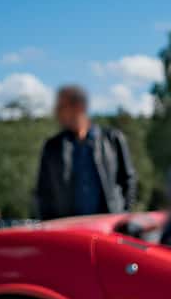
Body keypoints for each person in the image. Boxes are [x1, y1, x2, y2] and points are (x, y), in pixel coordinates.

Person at [36, 84, 139, 220]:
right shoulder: (52, 147)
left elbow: (129, 180)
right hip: (69, 231)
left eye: (61, 107)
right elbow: (43, 192)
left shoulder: (113, 140)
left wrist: (122, 216)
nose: (56, 112)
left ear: (79, 107)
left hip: (107, 228)